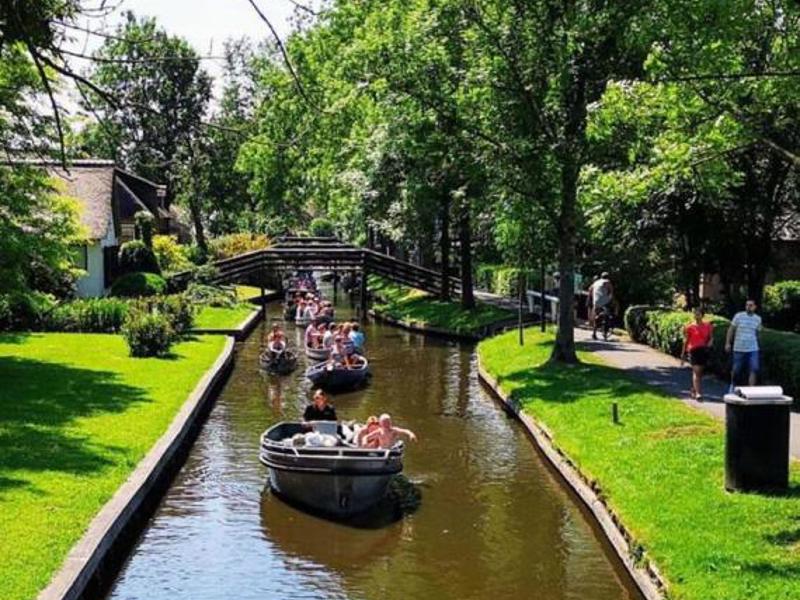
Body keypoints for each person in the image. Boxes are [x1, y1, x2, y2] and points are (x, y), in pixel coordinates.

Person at [726, 299, 763, 391]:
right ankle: (733, 386)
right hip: (739, 347)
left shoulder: (758, 319)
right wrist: (728, 343)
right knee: (736, 370)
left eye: (750, 305)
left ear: (754, 307)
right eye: (747, 305)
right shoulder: (738, 316)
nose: (748, 307)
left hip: (753, 348)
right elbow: (731, 329)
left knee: (754, 368)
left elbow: (758, 333)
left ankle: (751, 390)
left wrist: (759, 344)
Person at [681, 307, 713, 400]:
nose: (696, 315)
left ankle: (694, 389)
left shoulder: (708, 326)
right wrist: (683, 354)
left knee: (700, 373)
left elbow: (711, 337)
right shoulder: (689, 327)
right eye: (695, 313)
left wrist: (711, 341)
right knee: (697, 371)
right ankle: (699, 393)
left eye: (698, 313)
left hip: (703, 350)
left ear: (702, 315)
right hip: (693, 350)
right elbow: (686, 341)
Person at [589, 272, 614, 340]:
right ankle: (605, 333)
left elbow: (590, 289)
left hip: (596, 302)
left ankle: (594, 333)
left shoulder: (596, 282)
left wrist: (593, 298)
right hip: (604, 301)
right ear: (608, 277)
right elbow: (611, 292)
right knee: (607, 315)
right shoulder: (607, 281)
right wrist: (611, 299)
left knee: (596, 317)